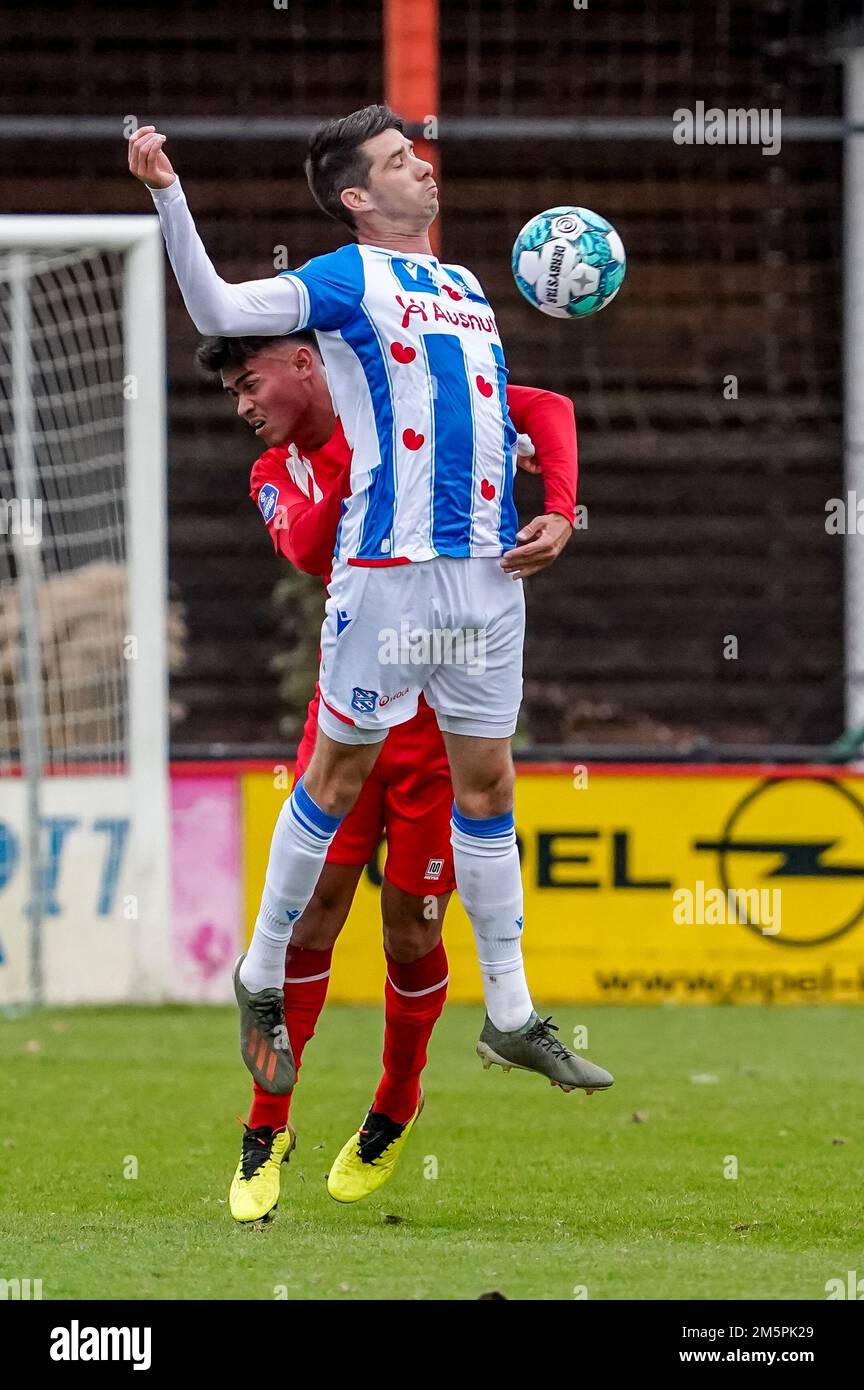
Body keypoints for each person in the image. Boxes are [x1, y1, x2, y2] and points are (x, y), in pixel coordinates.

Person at [128, 104, 614, 1202]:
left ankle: (508, 1013)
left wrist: (560, 512)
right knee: (333, 780)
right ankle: (258, 982)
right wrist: (166, 190)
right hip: (391, 577)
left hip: (487, 578)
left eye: (416, 153)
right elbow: (214, 305)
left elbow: (519, 414)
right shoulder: (347, 280)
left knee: (491, 787)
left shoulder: (472, 289)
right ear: (356, 195)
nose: (421, 167)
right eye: (398, 160)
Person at [197, 330, 604, 1217]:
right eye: (232, 392)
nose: (243, 406)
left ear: (305, 362)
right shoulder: (275, 474)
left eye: (247, 383)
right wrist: (392, 466)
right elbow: (308, 548)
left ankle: (395, 1103)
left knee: (412, 930)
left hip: (435, 733)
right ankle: (266, 1126)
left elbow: (547, 410)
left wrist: (554, 497)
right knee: (315, 920)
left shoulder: (407, 399)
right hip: (348, 721)